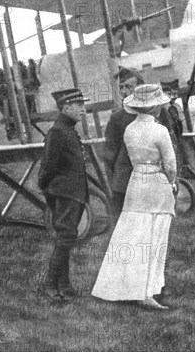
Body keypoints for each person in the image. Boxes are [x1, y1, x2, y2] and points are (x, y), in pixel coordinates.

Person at [92, 84, 176, 310]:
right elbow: (170, 165)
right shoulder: (160, 131)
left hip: (135, 183)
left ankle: (127, 286)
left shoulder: (129, 129)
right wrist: (173, 182)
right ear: (155, 107)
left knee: (132, 236)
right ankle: (147, 291)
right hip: (156, 183)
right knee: (155, 237)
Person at [37, 88, 91, 302]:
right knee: (66, 237)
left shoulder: (67, 129)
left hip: (73, 193)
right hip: (65, 193)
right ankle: (50, 285)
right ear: (66, 107)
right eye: (79, 106)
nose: (83, 110)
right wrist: (47, 188)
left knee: (66, 238)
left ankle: (64, 285)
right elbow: (48, 166)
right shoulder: (58, 131)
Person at [103, 67, 145, 218]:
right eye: (121, 87)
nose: (124, 91)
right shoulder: (117, 118)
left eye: (128, 87)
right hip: (126, 181)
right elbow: (109, 155)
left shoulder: (156, 112)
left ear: (140, 88)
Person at [159, 79, 185, 175]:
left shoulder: (173, 107)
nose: (175, 96)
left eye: (175, 93)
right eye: (171, 94)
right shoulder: (166, 108)